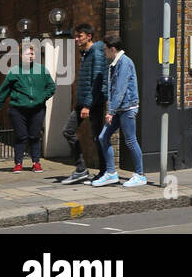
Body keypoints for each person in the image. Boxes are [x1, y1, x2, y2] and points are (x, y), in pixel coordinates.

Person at [0, 42, 56, 173]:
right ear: (21, 55)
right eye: (28, 53)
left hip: (37, 109)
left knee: (35, 135)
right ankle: (18, 163)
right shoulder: (14, 71)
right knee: (21, 136)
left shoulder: (41, 70)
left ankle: (36, 162)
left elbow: (51, 87)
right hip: (18, 110)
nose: (31, 56)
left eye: (32, 53)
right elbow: (3, 91)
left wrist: (41, 98)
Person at [91, 35, 146, 188]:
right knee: (103, 137)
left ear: (112, 49)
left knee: (130, 140)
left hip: (127, 108)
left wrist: (111, 111)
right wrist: (112, 108)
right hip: (119, 109)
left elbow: (121, 88)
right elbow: (112, 89)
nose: (104, 53)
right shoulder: (115, 63)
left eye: (105, 50)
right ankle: (111, 173)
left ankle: (140, 175)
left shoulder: (125, 63)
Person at [60, 24, 107, 185]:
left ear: (89, 36)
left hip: (94, 102)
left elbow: (96, 82)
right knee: (68, 131)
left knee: (97, 137)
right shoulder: (86, 54)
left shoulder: (97, 53)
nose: (76, 39)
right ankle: (81, 170)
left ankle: (104, 171)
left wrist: (87, 105)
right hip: (84, 102)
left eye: (79, 36)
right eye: (76, 36)